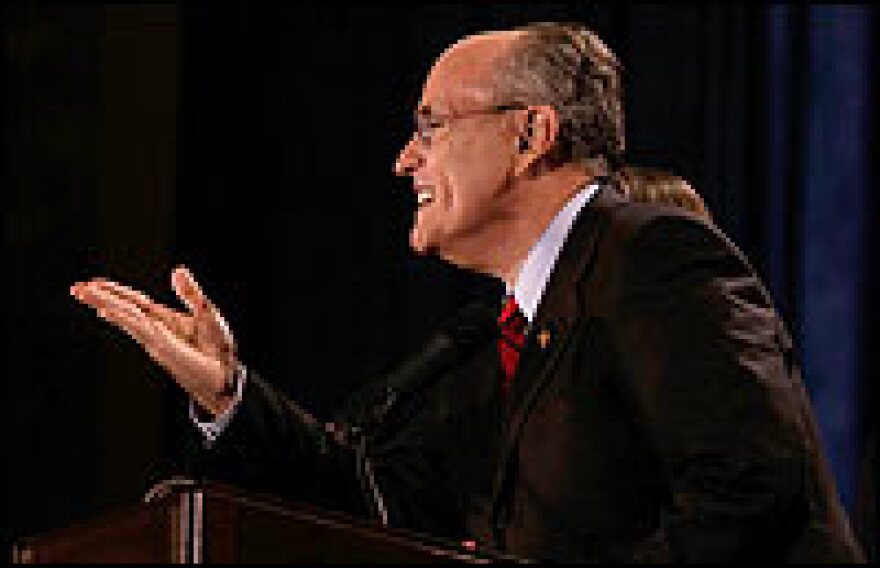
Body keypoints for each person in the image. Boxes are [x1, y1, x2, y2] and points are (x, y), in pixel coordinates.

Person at [70, 22, 865, 562]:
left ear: (530, 135)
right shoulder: (504, 333)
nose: (403, 160)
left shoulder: (656, 256)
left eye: (429, 126)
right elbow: (380, 500)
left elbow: (751, 490)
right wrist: (228, 393)